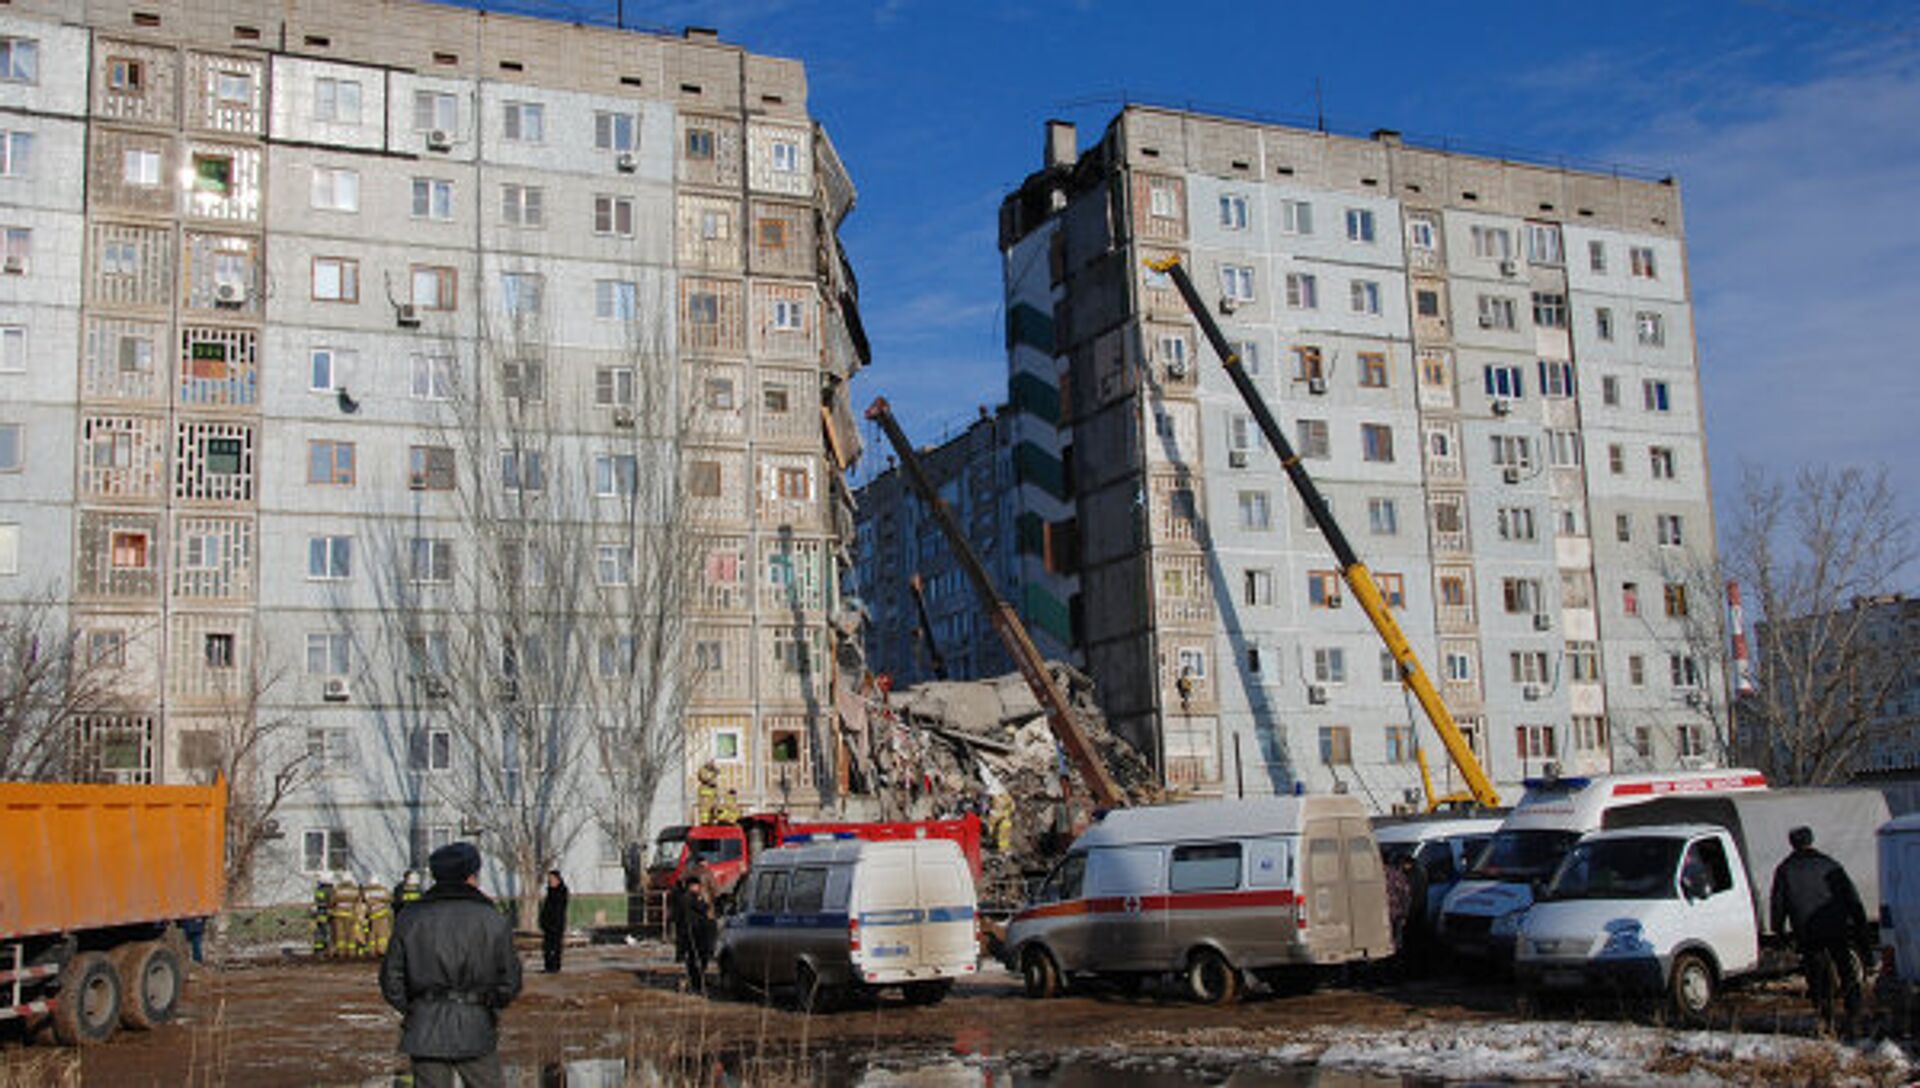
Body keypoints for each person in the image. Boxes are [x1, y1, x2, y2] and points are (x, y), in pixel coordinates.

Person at [379, 842, 523, 1088]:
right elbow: (510, 980)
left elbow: (391, 979)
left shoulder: (410, 917)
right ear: (471, 876)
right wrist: (488, 1007)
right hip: (475, 1024)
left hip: (425, 1026)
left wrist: (416, 1009)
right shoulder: (492, 919)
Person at [1769, 825, 1871, 1035]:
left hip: (1807, 931)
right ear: (1811, 840)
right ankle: (1854, 1014)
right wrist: (1860, 924)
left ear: (1792, 843)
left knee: (1817, 975)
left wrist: (1778, 931)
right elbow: (1851, 896)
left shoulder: (1785, 870)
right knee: (1846, 970)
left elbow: (1778, 904)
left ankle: (1826, 1018)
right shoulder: (1829, 865)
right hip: (1836, 927)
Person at [680, 872, 716, 993]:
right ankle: (696, 982)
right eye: (697, 886)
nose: (699, 888)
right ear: (691, 886)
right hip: (695, 931)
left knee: (693, 958)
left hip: (691, 931)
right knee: (698, 957)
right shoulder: (691, 898)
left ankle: (695, 981)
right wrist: (702, 901)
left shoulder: (685, 897)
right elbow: (703, 908)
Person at [539, 870, 570, 974]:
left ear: (557, 879)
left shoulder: (562, 891)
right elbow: (546, 908)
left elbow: (559, 909)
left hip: (557, 924)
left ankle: (555, 967)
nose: (550, 881)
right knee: (546, 947)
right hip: (547, 924)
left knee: (555, 946)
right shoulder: (550, 891)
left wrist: (555, 923)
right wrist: (543, 920)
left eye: (551, 879)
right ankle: (548, 966)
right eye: (549, 879)